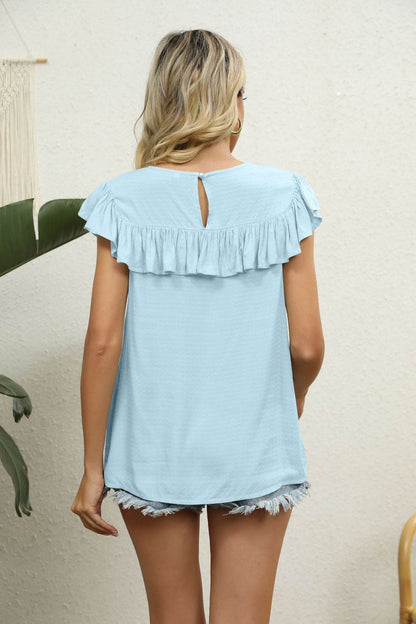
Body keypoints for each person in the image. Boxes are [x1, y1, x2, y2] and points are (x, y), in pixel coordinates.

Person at [71, 28, 324, 624]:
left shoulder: (122, 199)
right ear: (231, 101)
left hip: (152, 446)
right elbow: (307, 345)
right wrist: (293, 397)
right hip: (255, 443)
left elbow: (103, 342)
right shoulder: (286, 195)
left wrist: (92, 467)